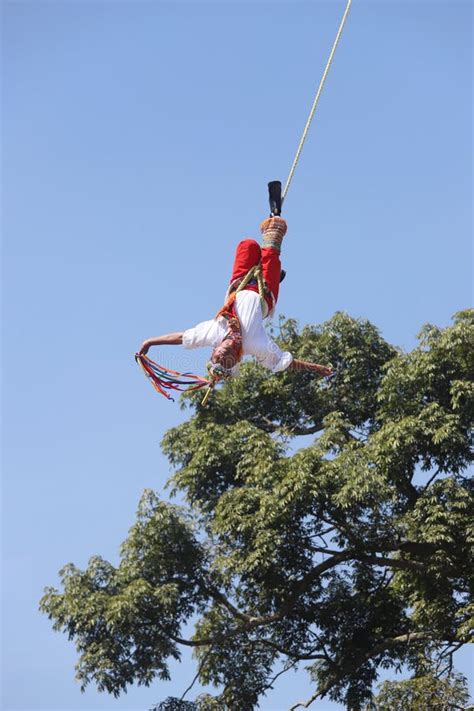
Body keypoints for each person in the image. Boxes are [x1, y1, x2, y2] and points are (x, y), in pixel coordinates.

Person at [138, 216, 332, 380]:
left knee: (247, 245)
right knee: (272, 243)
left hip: (239, 283)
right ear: (237, 359)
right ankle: (272, 261)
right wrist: (316, 368)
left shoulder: (212, 333)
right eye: (226, 360)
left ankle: (264, 260)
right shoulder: (254, 344)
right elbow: (284, 362)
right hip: (266, 291)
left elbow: (181, 337)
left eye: (217, 358)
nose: (222, 356)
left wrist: (150, 341)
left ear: (214, 351)